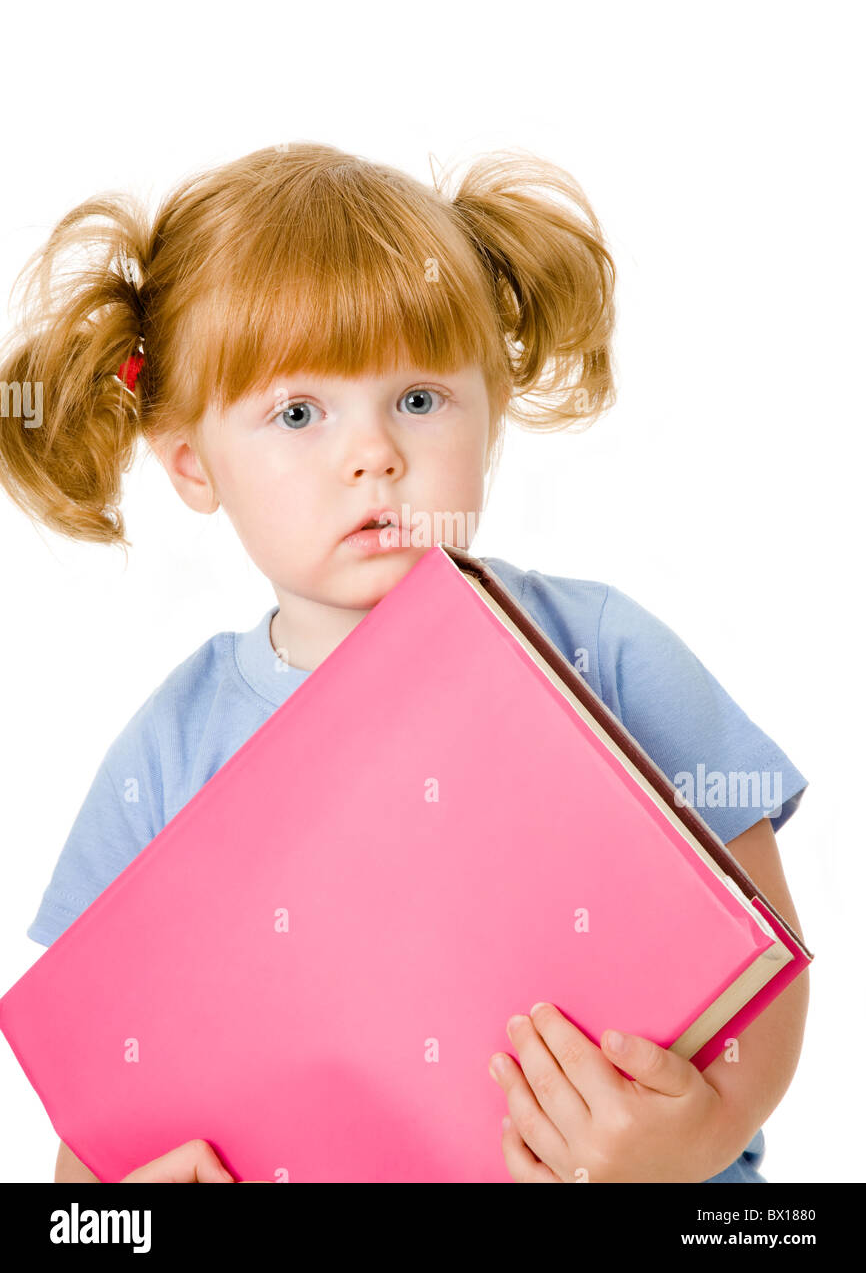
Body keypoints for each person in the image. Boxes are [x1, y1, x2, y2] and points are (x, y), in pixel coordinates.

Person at [0, 141, 809, 1183]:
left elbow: (763, 958)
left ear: (490, 408)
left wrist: (687, 1140)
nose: (374, 452)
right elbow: (104, 1103)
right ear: (193, 462)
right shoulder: (172, 746)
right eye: (298, 413)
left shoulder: (602, 648)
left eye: (420, 399)